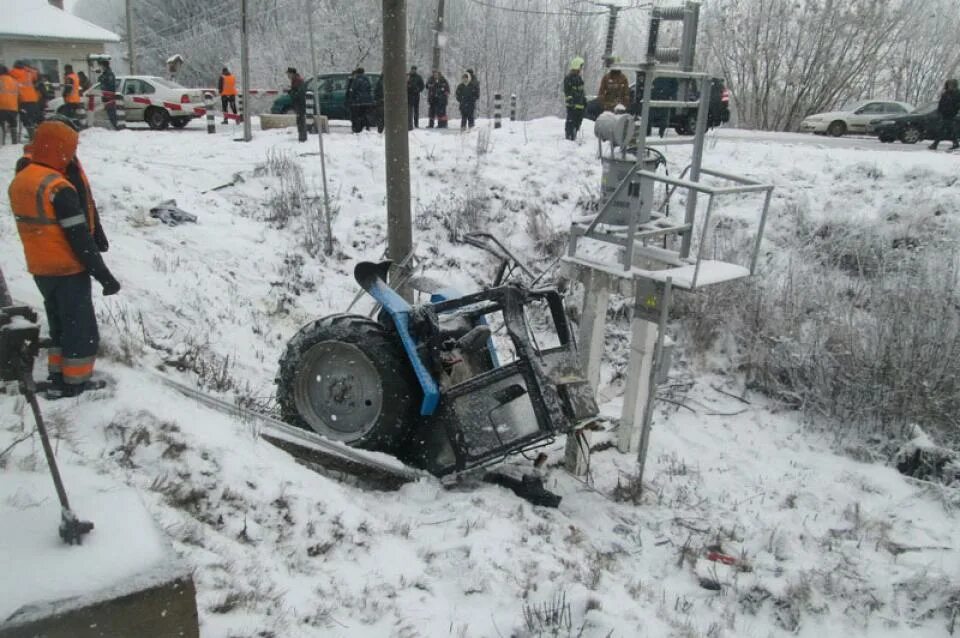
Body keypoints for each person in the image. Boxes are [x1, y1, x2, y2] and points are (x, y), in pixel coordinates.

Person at [8, 118, 120, 399]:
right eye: (69, 148)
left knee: (59, 323)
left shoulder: (23, 178)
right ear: (58, 147)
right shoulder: (58, 187)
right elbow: (79, 238)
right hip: (67, 267)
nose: (71, 155)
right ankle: (75, 383)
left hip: (40, 267)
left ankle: (58, 374)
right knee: (80, 329)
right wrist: (104, 275)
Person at [10, 61, 40, 138]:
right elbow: (37, 76)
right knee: (31, 118)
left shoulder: (13, 72)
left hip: (22, 99)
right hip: (33, 99)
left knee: (25, 119)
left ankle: (32, 137)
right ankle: (34, 135)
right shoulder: (29, 72)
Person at [929, 79, 960, 151]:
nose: (950, 86)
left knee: (942, 129)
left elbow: (957, 104)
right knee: (949, 129)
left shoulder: (957, 93)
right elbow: (941, 103)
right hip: (944, 114)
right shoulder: (946, 93)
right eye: (949, 85)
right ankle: (955, 143)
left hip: (951, 114)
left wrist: (954, 109)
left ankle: (935, 144)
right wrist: (939, 111)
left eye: (952, 85)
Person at [563, 56, 586, 140]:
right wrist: (571, 101)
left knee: (577, 122)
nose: (581, 69)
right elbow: (567, 91)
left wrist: (584, 101)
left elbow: (581, 91)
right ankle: (569, 136)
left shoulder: (579, 78)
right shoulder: (568, 78)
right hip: (572, 106)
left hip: (580, 106)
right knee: (571, 121)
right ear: (576, 66)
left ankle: (574, 134)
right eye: (580, 67)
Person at [345, 67, 374, 133]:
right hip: (367, 101)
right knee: (364, 114)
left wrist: (350, 100)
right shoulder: (367, 79)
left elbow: (352, 90)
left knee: (356, 116)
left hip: (357, 101)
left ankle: (357, 129)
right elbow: (369, 89)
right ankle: (367, 127)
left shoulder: (356, 80)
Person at [286, 67, 307, 142]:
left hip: (300, 103)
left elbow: (299, 93)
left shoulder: (298, 80)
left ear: (292, 74)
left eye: (288, 74)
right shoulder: (295, 80)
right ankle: (302, 136)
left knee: (301, 120)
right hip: (299, 103)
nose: (288, 76)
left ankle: (302, 137)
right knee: (300, 120)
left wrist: (290, 92)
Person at [97, 59, 119, 130]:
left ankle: (116, 128)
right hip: (106, 97)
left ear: (104, 66)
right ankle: (114, 127)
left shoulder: (109, 74)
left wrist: (102, 77)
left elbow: (109, 85)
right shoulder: (106, 74)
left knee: (112, 114)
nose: (101, 67)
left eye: (102, 66)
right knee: (110, 113)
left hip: (109, 97)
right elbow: (100, 80)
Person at [0, 65, 18, 145]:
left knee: (1, 125)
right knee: (13, 125)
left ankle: (2, 143)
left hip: (1, 106)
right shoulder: (14, 81)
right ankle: (15, 143)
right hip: (13, 107)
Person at [407, 65, 424, 130]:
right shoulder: (408, 76)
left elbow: (422, 86)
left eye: (414, 69)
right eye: (412, 69)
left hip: (416, 95)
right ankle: (409, 123)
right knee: (409, 110)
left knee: (416, 110)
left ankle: (416, 123)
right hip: (409, 96)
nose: (413, 70)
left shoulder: (418, 77)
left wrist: (418, 89)